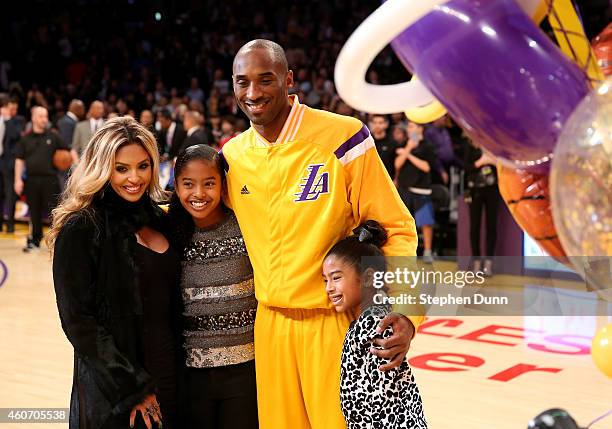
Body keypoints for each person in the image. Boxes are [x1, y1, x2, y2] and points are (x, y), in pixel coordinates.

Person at [221, 39, 421, 429]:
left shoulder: (343, 137)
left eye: (265, 80)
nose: (253, 93)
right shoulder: (232, 156)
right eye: (242, 82)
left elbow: (396, 227)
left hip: (335, 322)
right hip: (270, 326)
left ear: (288, 80)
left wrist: (405, 311)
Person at [48, 116, 181, 429]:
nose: (134, 177)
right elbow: (79, 322)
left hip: (169, 377)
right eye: (121, 168)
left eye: (143, 166)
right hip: (116, 395)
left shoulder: (159, 220)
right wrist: (133, 388)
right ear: (102, 167)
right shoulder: (82, 227)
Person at [168, 144, 258, 428]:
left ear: (222, 184)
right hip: (191, 373)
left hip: (245, 369)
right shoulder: (168, 232)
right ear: (176, 185)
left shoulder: (245, 225)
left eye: (209, 183)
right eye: (188, 184)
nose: (198, 194)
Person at [323, 221, 427, 429]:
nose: (329, 288)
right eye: (325, 280)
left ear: (368, 277)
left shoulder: (375, 326)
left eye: (336, 278)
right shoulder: (368, 321)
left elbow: (381, 401)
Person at [14, 106, 68, 251]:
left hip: (50, 180)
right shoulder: (25, 139)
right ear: (33, 118)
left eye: (46, 116)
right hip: (31, 181)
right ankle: (35, 241)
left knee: (55, 212)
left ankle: (58, 241)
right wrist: (17, 180)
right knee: (34, 212)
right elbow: (19, 160)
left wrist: (75, 168)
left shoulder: (53, 136)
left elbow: (69, 151)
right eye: (41, 116)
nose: (44, 119)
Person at [395, 121, 436, 264]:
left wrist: (409, 155)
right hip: (405, 189)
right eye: (409, 126)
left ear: (420, 129)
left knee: (425, 222)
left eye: (412, 126)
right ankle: (406, 252)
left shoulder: (428, 146)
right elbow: (397, 164)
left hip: (421, 189)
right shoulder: (404, 144)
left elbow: (426, 167)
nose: (409, 129)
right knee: (405, 222)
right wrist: (408, 149)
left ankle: (428, 251)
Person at [464, 140, 499, 276]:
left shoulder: (493, 143)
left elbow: (502, 165)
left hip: (492, 189)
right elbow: (465, 167)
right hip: (474, 190)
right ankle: (476, 262)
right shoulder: (469, 144)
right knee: (474, 227)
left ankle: (488, 263)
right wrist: (481, 161)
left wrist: (493, 161)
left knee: (492, 226)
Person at [1, 96, 25, 233]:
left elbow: (16, 135)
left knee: (10, 195)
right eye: (10, 108)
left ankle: (10, 224)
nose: (13, 111)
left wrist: (8, 119)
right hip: (0, 160)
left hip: (10, 163)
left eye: (15, 109)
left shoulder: (18, 121)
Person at [368, 114, 397, 179]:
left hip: (388, 179)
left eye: (380, 123)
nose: (377, 125)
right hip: (369, 179)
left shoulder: (392, 143)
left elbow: (396, 164)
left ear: (386, 124)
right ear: (371, 124)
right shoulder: (366, 142)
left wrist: (396, 178)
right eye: (374, 123)